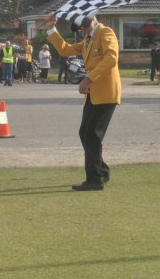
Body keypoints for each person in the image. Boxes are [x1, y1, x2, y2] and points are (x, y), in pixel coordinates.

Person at [42, 10, 121, 191]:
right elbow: (65, 49)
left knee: (92, 135)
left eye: (85, 26)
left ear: (93, 20)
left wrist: (89, 78)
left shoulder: (106, 32)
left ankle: (95, 179)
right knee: (84, 132)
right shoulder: (87, 40)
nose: (83, 30)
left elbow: (111, 58)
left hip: (106, 92)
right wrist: (51, 28)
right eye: (81, 28)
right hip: (94, 94)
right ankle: (101, 171)